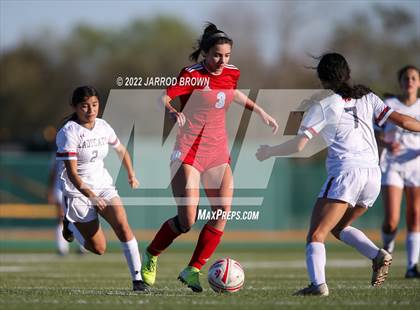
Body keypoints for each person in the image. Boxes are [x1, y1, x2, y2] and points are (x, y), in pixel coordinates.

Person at [256, 53, 420, 296]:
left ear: (322, 79)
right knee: (339, 227)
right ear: (348, 73)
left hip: (346, 173)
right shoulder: (368, 97)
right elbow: (405, 122)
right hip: (373, 176)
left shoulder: (323, 105)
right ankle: (377, 255)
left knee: (316, 233)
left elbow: (299, 146)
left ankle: (318, 285)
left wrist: (270, 151)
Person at [140, 23, 278, 292]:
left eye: (226, 56)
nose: (222, 61)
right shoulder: (191, 75)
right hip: (188, 150)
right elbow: (163, 98)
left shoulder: (231, 73)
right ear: (204, 53)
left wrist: (259, 111)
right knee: (187, 221)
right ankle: (152, 254)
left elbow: (231, 92)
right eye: (216, 55)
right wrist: (170, 111)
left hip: (217, 152)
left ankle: (192, 269)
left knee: (222, 211)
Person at [56, 85, 149, 292]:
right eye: (85, 106)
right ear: (75, 107)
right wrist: (91, 196)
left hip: (103, 185)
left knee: (123, 226)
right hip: (77, 191)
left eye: (95, 105)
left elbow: (121, 150)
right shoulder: (68, 132)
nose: (91, 110)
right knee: (99, 248)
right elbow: (72, 174)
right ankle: (70, 226)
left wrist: (131, 174)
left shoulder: (103, 126)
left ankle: (137, 280)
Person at [378, 65, 420, 278]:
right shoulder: (389, 105)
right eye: (406, 78)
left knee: (415, 215)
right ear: (400, 82)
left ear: (419, 82)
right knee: (391, 220)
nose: (410, 81)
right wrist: (386, 144)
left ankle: (412, 267)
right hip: (393, 165)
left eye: (414, 77)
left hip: (416, 166)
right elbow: (375, 132)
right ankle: (389, 249)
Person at [47, 159, 86, 255]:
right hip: (60, 187)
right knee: (61, 217)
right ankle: (62, 247)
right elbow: (52, 172)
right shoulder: (57, 153)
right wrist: (50, 190)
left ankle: (83, 246)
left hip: (75, 187)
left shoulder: (77, 149)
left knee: (79, 216)